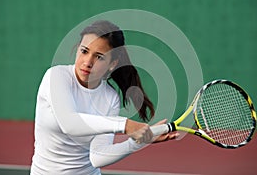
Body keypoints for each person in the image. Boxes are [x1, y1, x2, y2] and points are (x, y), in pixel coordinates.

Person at [30, 20, 178, 175]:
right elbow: (70, 123)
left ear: (112, 64)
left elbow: (98, 157)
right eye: (84, 51)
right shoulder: (56, 76)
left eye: (99, 57)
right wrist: (125, 124)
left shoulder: (110, 97)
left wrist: (138, 142)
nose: (88, 62)